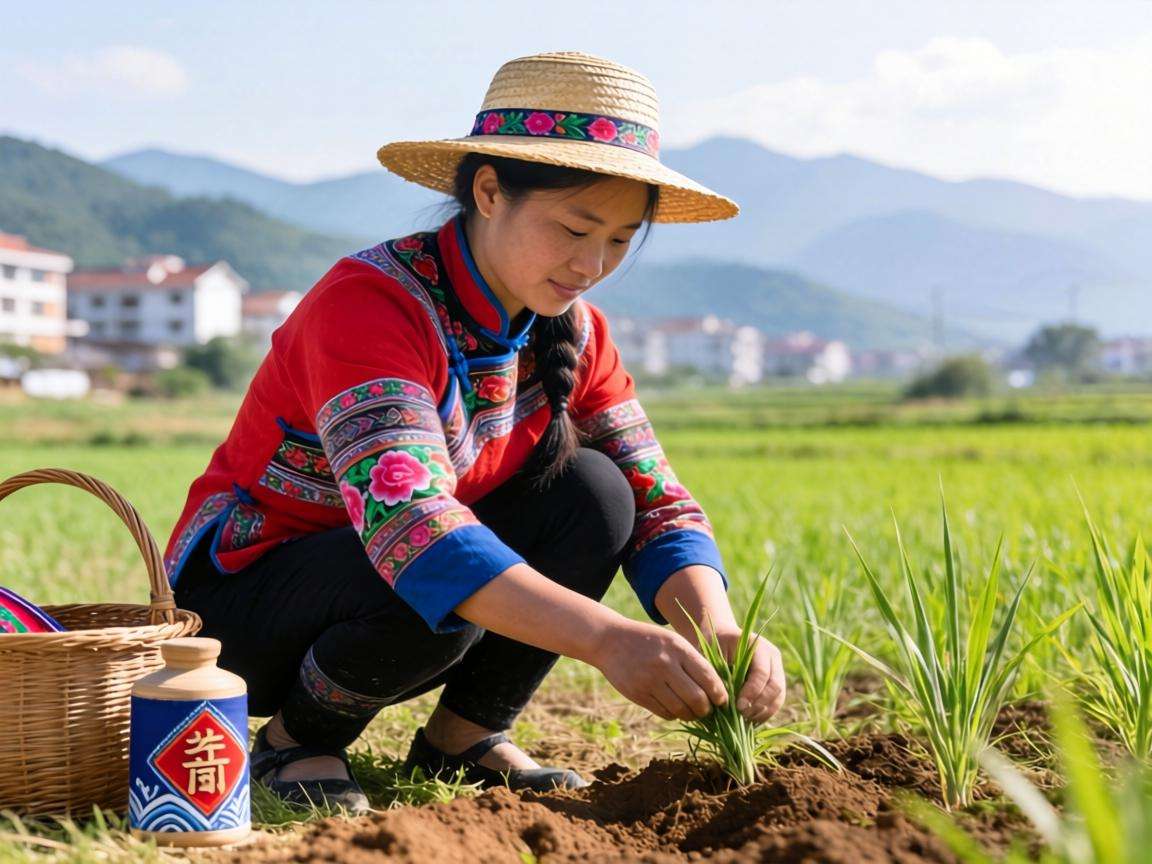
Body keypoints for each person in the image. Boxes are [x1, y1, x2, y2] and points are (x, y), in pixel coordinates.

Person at [165, 51, 786, 814]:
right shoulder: (369, 303)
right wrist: (607, 639)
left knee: (596, 493)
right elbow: (414, 525)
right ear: (489, 191)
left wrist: (716, 626)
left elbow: (656, 498)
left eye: (621, 240)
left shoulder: (577, 332)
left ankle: (466, 735)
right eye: (574, 227)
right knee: (439, 575)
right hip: (240, 611)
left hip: (395, 591)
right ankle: (298, 740)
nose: (592, 264)